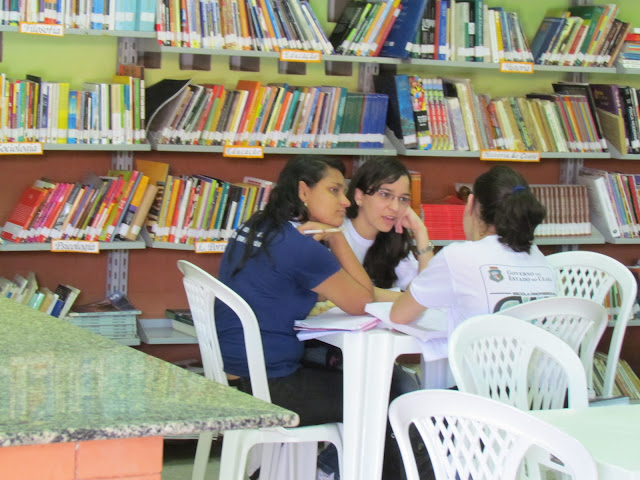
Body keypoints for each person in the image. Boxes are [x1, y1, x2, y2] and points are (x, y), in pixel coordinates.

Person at [215, 155, 373, 430]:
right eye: (334, 190)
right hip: (269, 388)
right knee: (382, 395)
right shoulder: (302, 248)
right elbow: (365, 302)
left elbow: (321, 291)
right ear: (303, 191)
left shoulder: (257, 226)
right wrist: (337, 237)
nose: (345, 202)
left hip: (233, 375)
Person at [390, 165, 558, 335]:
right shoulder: (540, 258)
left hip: (482, 361)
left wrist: (420, 231)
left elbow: (399, 315)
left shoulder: (459, 257)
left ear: (471, 204)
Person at [344, 157, 433, 301]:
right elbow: (344, 289)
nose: (395, 208)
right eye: (385, 195)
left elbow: (428, 292)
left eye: (403, 199)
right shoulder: (337, 233)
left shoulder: (394, 239)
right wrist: (407, 299)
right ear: (359, 196)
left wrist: (421, 231)